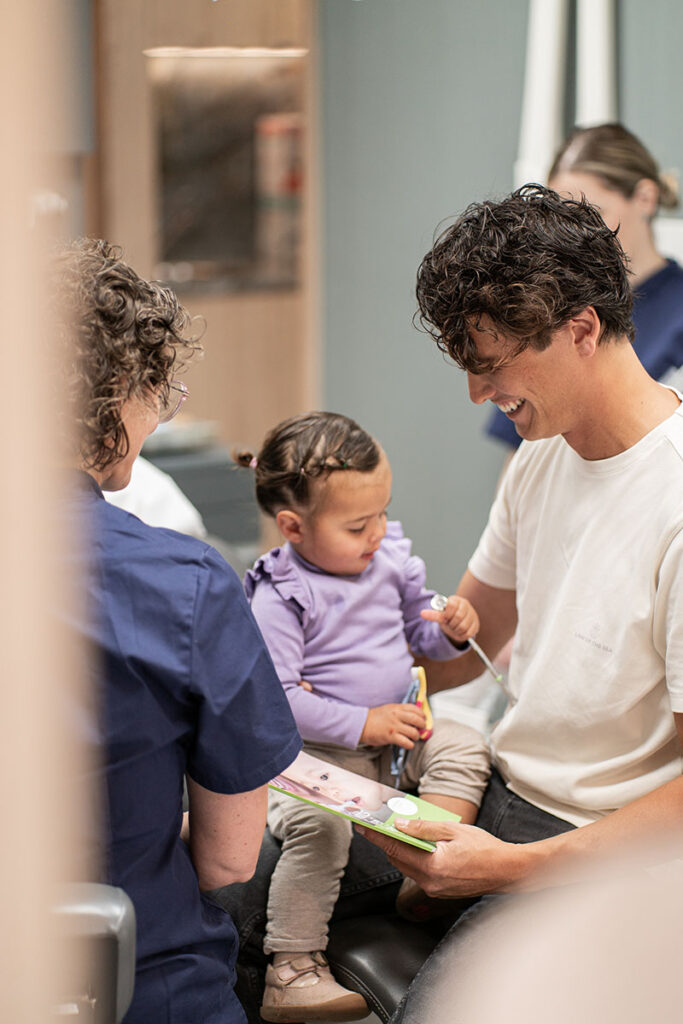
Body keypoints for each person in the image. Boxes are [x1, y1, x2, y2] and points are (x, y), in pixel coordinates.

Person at [356, 184, 683, 1023]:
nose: (475, 395)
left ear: (580, 330)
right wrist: (342, 626)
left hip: (603, 851)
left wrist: (500, 869)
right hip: (497, 787)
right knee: (238, 884)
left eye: (490, 365)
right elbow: (461, 642)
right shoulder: (540, 458)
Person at [55, 239, 302, 1024]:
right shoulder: (183, 585)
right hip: (135, 984)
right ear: (112, 396)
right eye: (155, 389)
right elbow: (228, 857)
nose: (160, 412)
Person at [236, 411, 491, 1022]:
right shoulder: (282, 594)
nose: (377, 533)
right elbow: (279, 698)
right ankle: (291, 969)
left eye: (382, 513)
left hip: (396, 738)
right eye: (357, 525)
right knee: (319, 830)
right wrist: (363, 724)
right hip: (315, 759)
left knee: (466, 744)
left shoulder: (387, 560)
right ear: (293, 527)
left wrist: (452, 633)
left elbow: (418, 638)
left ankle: (431, 864)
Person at [486, 123, 683, 451]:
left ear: (645, 198)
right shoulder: (545, 312)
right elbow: (518, 457)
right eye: (562, 221)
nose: (572, 238)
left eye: (591, 214)